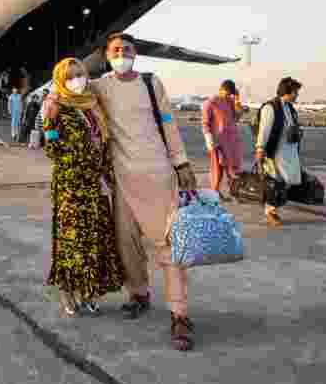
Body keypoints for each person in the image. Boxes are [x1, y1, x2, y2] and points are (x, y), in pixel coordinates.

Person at [89, 32, 200, 351]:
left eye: (126, 49)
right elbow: (70, 89)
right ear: (106, 55)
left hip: (159, 175)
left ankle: (180, 314)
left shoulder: (152, 84)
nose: (121, 53)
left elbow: (169, 124)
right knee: (127, 245)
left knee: (169, 246)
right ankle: (138, 293)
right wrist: (53, 104)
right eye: (115, 50)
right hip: (122, 180)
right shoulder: (100, 86)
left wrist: (181, 163)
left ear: (135, 53)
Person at [42, 58, 124, 316]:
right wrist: (49, 122)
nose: (76, 81)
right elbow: (52, 149)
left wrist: (105, 173)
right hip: (71, 186)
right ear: (60, 81)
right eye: (69, 77)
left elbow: (104, 144)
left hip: (95, 185)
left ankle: (88, 291)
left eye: (80, 75)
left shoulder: (93, 106)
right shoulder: (56, 107)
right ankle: (67, 291)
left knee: (95, 240)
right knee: (71, 241)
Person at [254, 77, 304, 227]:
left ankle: (273, 209)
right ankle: (270, 212)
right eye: (296, 92)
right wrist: (260, 148)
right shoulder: (271, 107)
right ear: (288, 92)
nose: (297, 95)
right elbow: (264, 130)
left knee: (286, 181)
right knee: (274, 182)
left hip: (288, 152)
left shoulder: (290, 108)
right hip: (275, 151)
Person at [201, 80, 243, 200]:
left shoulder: (230, 102)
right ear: (221, 89)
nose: (228, 94)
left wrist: (236, 100)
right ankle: (214, 192)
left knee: (231, 167)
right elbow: (205, 123)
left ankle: (234, 192)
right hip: (216, 141)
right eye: (227, 92)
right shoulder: (210, 103)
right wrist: (209, 139)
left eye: (231, 93)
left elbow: (237, 117)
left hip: (230, 141)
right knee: (217, 169)